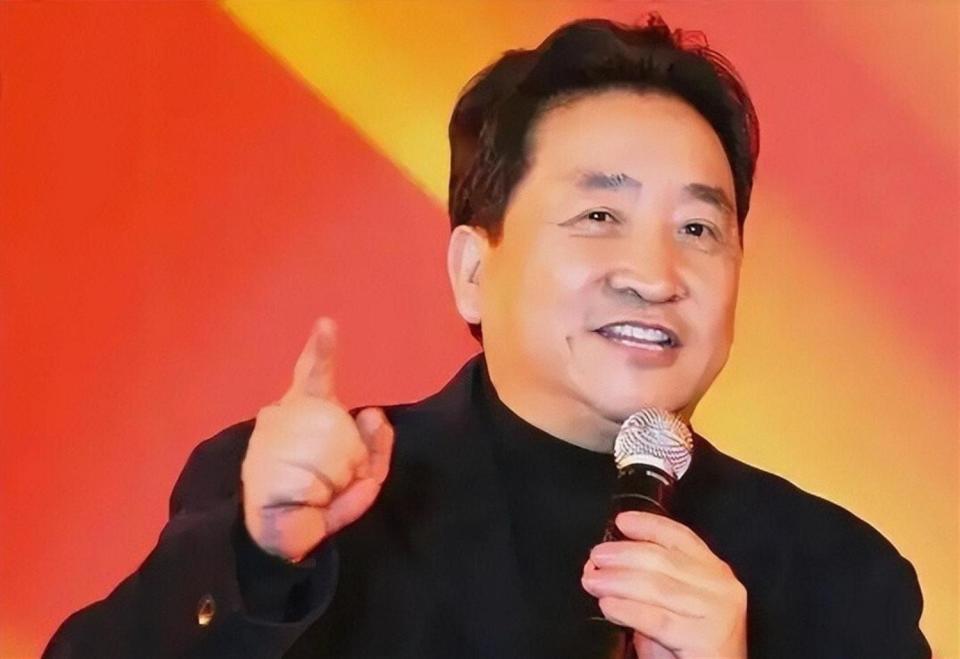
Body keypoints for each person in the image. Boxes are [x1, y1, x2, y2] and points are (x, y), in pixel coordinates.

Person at [44, 14, 930, 659]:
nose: (655, 274)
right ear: (473, 267)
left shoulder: (842, 579)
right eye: (599, 215)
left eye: (699, 228)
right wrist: (255, 562)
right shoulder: (308, 513)